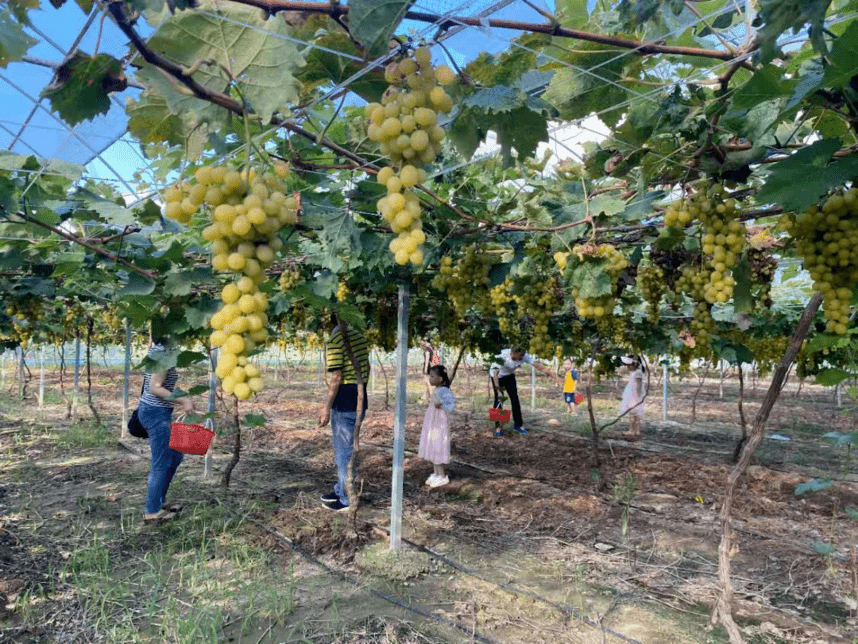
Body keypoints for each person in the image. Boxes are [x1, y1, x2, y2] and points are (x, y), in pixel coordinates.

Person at [139, 335, 194, 523]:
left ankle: (158, 501)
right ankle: (151, 512)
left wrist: (179, 395)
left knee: (175, 456)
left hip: (159, 411)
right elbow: (155, 387)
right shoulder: (162, 352)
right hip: (155, 413)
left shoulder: (164, 351)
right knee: (161, 462)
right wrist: (183, 399)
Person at [318, 322, 370, 512]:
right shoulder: (358, 335)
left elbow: (337, 377)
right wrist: (361, 391)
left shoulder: (336, 339)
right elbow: (367, 367)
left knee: (343, 452)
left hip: (345, 400)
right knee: (347, 448)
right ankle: (341, 489)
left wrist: (326, 407)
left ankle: (346, 498)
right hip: (359, 394)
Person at [490, 347, 562, 436]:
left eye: (524, 354)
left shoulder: (525, 356)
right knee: (499, 400)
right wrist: (498, 391)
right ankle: (498, 427)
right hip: (497, 377)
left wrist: (555, 377)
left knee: (515, 399)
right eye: (521, 355)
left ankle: (518, 425)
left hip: (509, 376)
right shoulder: (502, 356)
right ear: (513, 353)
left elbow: (540, 367)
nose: (523, 357)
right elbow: (495, 374)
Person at [419, 365, 456, 488]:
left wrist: (440, 404)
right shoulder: (438, 389)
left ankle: (442, 475)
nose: (430, 378)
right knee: (433, 444)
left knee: (438, 444)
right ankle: (436, 473)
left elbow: (451, 405)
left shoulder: (443, 391)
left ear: (440, 379)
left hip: (439, 422)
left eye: (433, 376)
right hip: (433, 421)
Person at [619, 356, 646, 440]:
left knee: (633, 414)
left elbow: (639, 385)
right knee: (634, 414)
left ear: (635, 364)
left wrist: (638, 397)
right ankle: (635, 430)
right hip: (632, 395)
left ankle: (633, 430)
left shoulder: (638, 373)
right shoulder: (635, 372)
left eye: (629, 365)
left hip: (634, 396)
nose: (627, 367)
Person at [420, 337, 441, 402]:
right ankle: (426, 397)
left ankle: (433, 398)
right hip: (433, 367)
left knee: (428, 383)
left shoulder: (427, 350)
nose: (421, 342)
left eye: (422, 341)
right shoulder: (432, 349)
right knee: (427, 383)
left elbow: (427, 360)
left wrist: (425, 369)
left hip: (429, 367)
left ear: (425, 341)